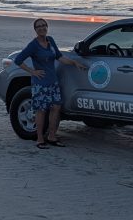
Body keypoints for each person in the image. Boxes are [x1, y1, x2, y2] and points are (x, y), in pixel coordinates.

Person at [13, 18, 87, 149]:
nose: (41, 28)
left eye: (43, 25)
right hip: (40, 83)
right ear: (35, 30)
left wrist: (74, 63)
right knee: (41, 111)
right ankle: (40, 139)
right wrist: (32, 71)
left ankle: (52, 136)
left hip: (53, 82)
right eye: (38, 26)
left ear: (47, 27)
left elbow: (59, 57)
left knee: (56, 108)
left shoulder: (50, 40)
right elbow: (18, 60)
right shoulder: (33, 45)